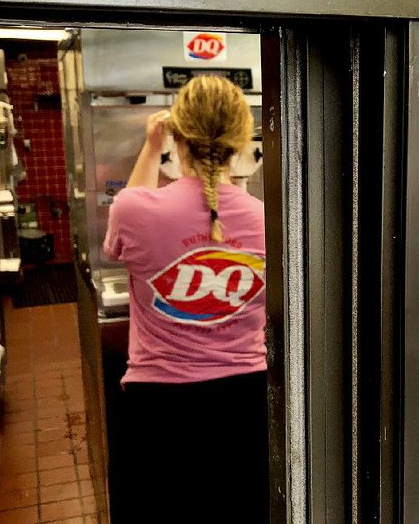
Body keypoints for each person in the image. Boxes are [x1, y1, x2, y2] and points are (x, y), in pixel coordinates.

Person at [103, 76, 268, 523]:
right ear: (241, 139)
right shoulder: (268, 219)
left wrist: (150, 146)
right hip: (244, 406)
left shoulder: (134, 211)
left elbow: (124, 218)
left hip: (159, 411)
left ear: (177, 138)